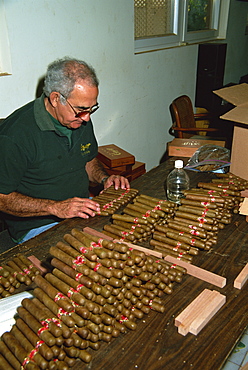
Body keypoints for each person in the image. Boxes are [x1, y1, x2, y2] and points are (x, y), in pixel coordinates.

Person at [0, 57, 130, 244]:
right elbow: (2, 198)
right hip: (38, 225)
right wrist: (55, 208)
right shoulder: (14, 136)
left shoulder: (78, 118)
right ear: (55, 99)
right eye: (81, 109)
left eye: (92, 109)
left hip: (82, 209)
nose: (86, 118)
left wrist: (104, 178)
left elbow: (87, 159)